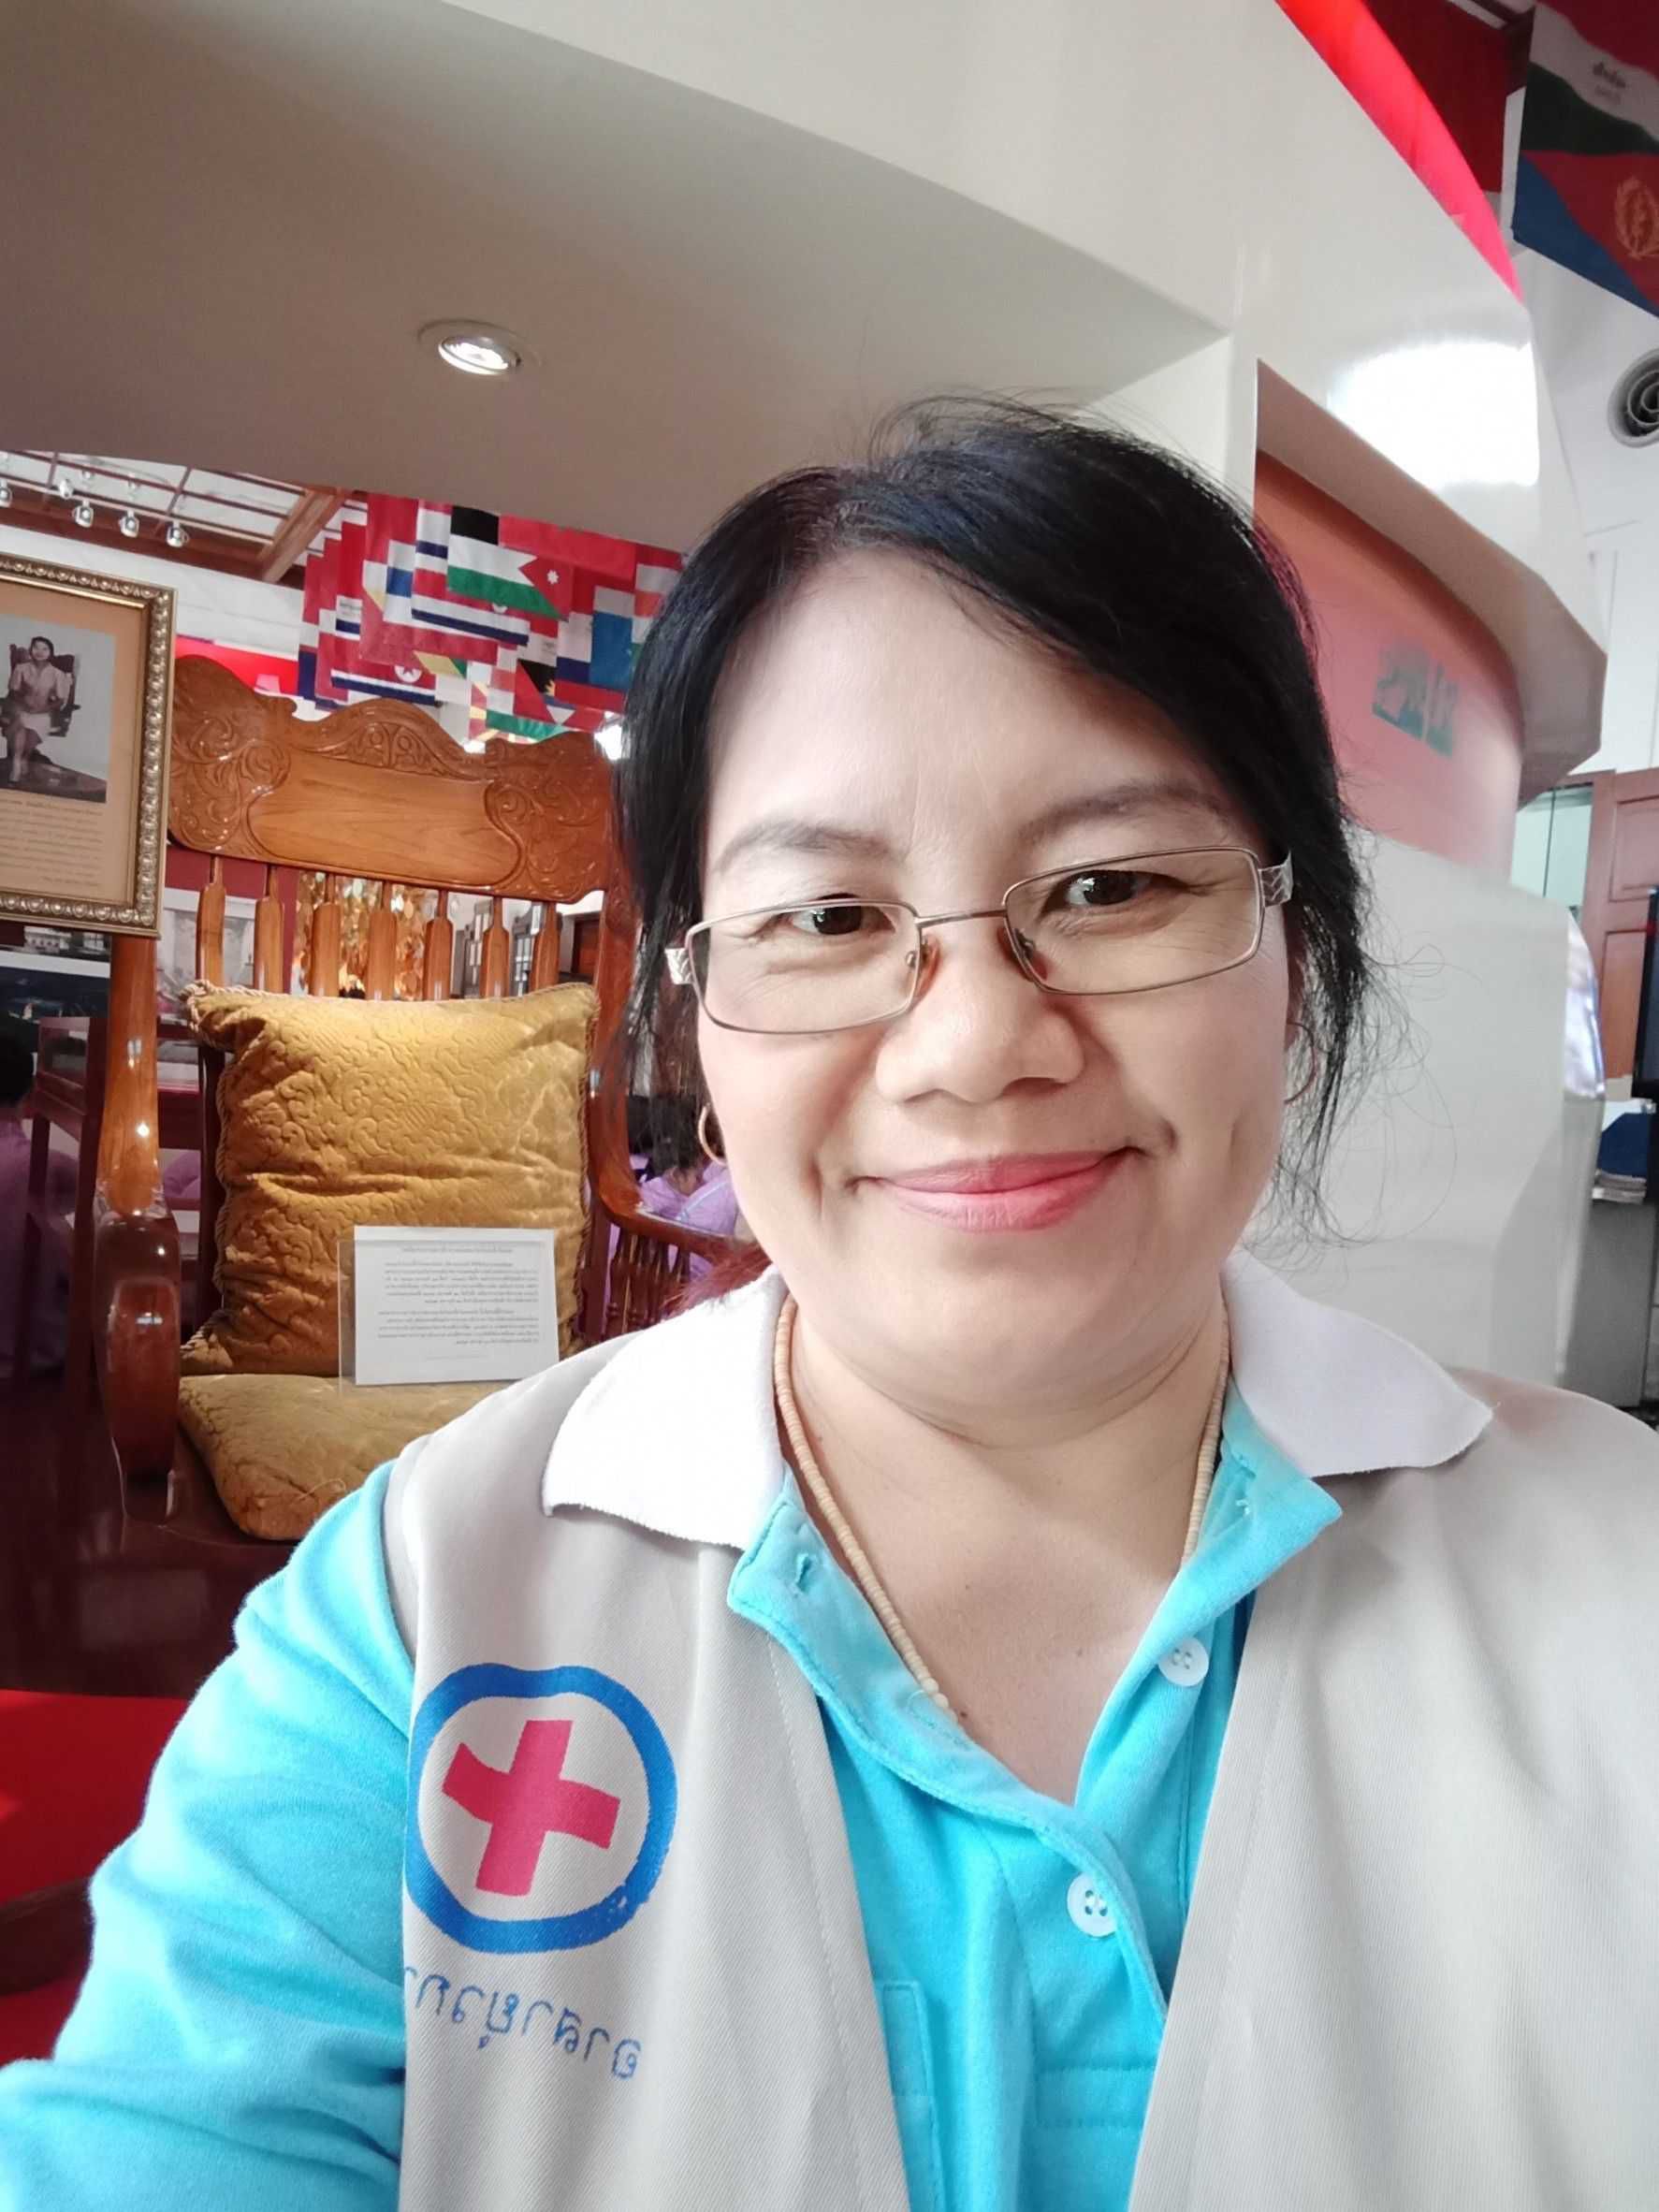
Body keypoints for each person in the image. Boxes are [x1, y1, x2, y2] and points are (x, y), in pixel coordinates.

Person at [1, 401, 1655, 2211]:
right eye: (825, 916)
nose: (974, 1043)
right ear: (699, 1024)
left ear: (1298, 962)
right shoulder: (418, 1609)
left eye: (1110, 884)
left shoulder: (1615, 1583)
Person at [5, 636, 72, 787]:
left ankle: (24, 758)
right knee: (20, 724)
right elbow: (13, 691)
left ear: (50, 652)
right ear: (31, 649)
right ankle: (16, 764)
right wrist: (24, 704)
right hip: (21, 709)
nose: (39, 652)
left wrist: (42, 709)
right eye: (36, 647)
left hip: (42, 714)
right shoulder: (20, 668)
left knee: (28, 741)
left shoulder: (57, 674)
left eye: (44, 649)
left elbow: (60, 700)